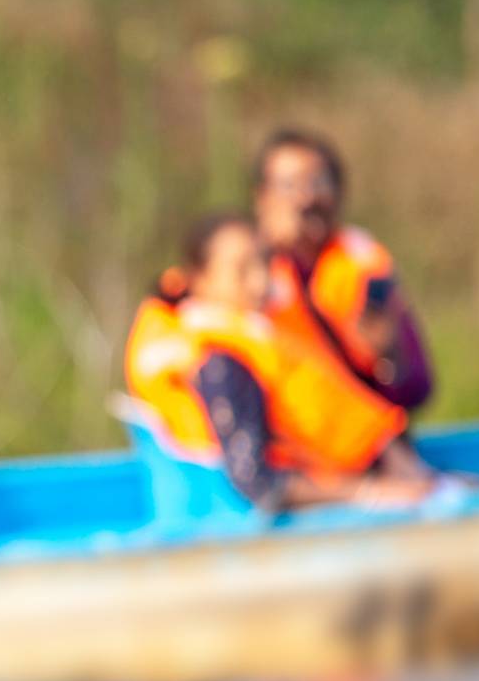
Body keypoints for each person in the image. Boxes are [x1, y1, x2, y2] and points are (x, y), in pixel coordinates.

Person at [123, 214, 441, 513]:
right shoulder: (220, 364)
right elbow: (260, 485)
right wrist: (369, 493)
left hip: (364, 477)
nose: (261, 283)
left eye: (265, 263)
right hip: (256, 521)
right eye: (242, 270)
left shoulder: (264, 333)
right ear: (199, 281)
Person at [253, 128, 434, 411]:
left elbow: (418, 390)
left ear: (339, 192)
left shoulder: (363, 265)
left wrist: (389, 355)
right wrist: (265, 250)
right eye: (288, 185)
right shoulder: (242, 267)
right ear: (262, 198)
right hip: (284, 442)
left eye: (318, 182)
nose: (306, 199)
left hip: (362, 440)